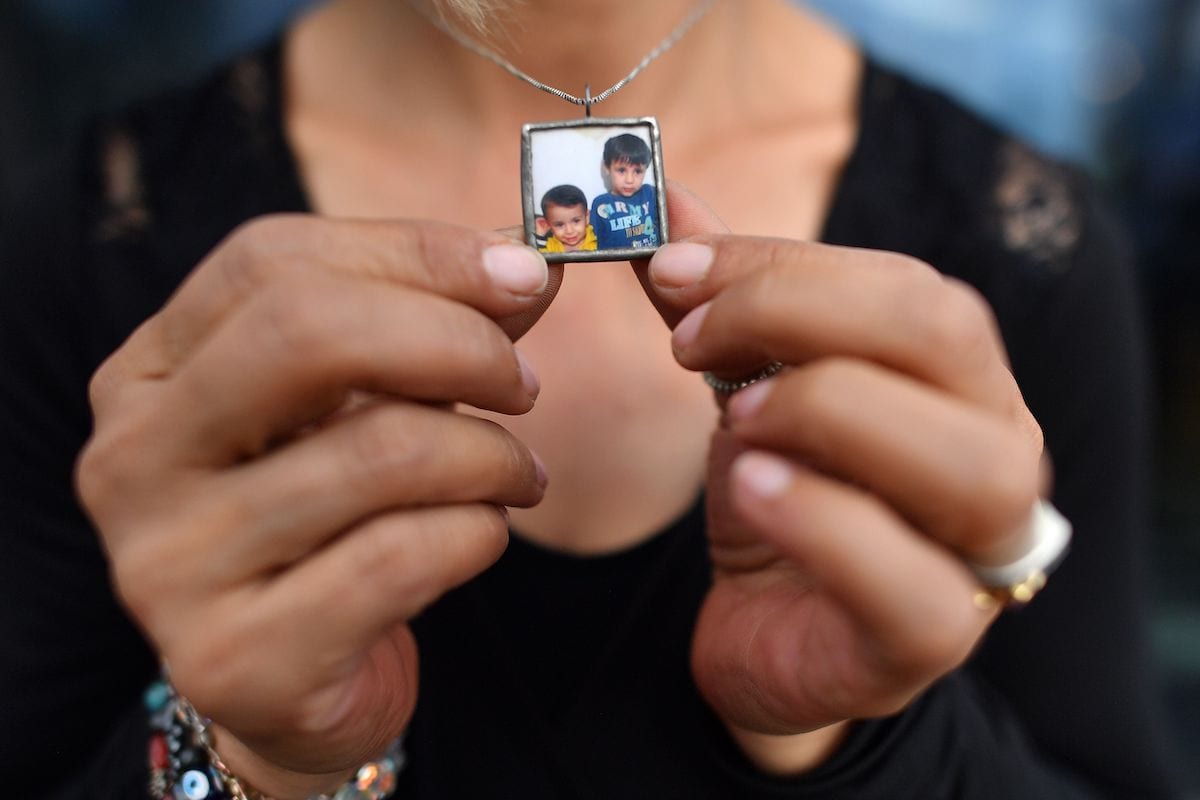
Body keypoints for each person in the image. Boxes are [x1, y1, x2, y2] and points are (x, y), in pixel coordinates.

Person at [0, 0, 1185, 797]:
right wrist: (255, 756)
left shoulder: (1023, 242)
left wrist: (847, 726)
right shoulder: (84, 236)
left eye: (625, 171)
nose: (620, 177)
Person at [590, 133, 659, 250]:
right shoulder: (600, 203)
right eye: (622, 170)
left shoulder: (650, 193)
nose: (630, 180)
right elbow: (595, 243)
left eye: (637, 171)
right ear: (607, 168)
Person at [538, 184, 598, 253]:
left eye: (576, 221)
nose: (569, 231)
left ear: (587, 217)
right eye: (560, 225)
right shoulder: (549, 245)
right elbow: (538, 258)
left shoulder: (598, 239)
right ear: (548, 225)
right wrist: (540, 234)